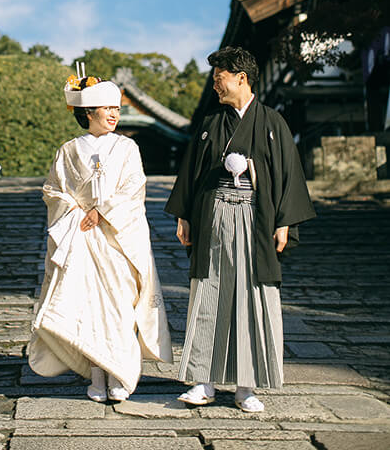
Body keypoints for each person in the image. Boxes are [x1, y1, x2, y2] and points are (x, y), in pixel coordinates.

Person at [165, 46, 315, 413]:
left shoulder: (273, 123)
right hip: (215, 215)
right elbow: (192, 173)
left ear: (241, 78)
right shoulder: (211, 125)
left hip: (255, 217)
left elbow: (288, 176)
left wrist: (284, 221)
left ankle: (247, 386)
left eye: (220, 79)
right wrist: (184, 215)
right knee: (209, 293)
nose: (216, 86)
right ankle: (203, 380)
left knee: (252, 295)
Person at [28, 73, 172, 402]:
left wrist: (103, 210)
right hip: (82, 237)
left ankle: (119, 372)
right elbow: (54, 192)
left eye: (117, 109)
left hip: (117, 239)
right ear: (88, 112)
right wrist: (78, 211)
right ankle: (95, 374)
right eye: (106, 108)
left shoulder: (127, 148)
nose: (113, 115)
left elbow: (134, 189)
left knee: (120, 305)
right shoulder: (68, 150)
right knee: (87, 307)